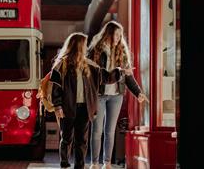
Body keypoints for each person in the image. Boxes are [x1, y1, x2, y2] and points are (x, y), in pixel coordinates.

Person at [50, 32, 131, 169]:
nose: (86, 47)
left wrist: (120, 72)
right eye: (84, 44)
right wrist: (58, 106)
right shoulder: (61, 65)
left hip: (85, 108)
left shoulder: (90, 65)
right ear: (78, 46)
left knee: (81, 140)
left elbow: (106, 77)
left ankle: (79, 166)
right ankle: (64, 164)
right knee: (67, 138)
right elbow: (55, 88)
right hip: (67, 107)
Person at [88, 21, 148, 169]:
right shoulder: (95, 50)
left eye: (120, 35)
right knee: (97, 130)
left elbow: (128, 76)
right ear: (108, 33)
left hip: (116, 96)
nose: (118, 38)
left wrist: (138, 92)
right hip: (99, 95)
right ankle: (94, 163)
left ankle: (106, 163)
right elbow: (90, 74)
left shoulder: (121, 52)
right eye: (116, 34)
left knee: (110, 131)